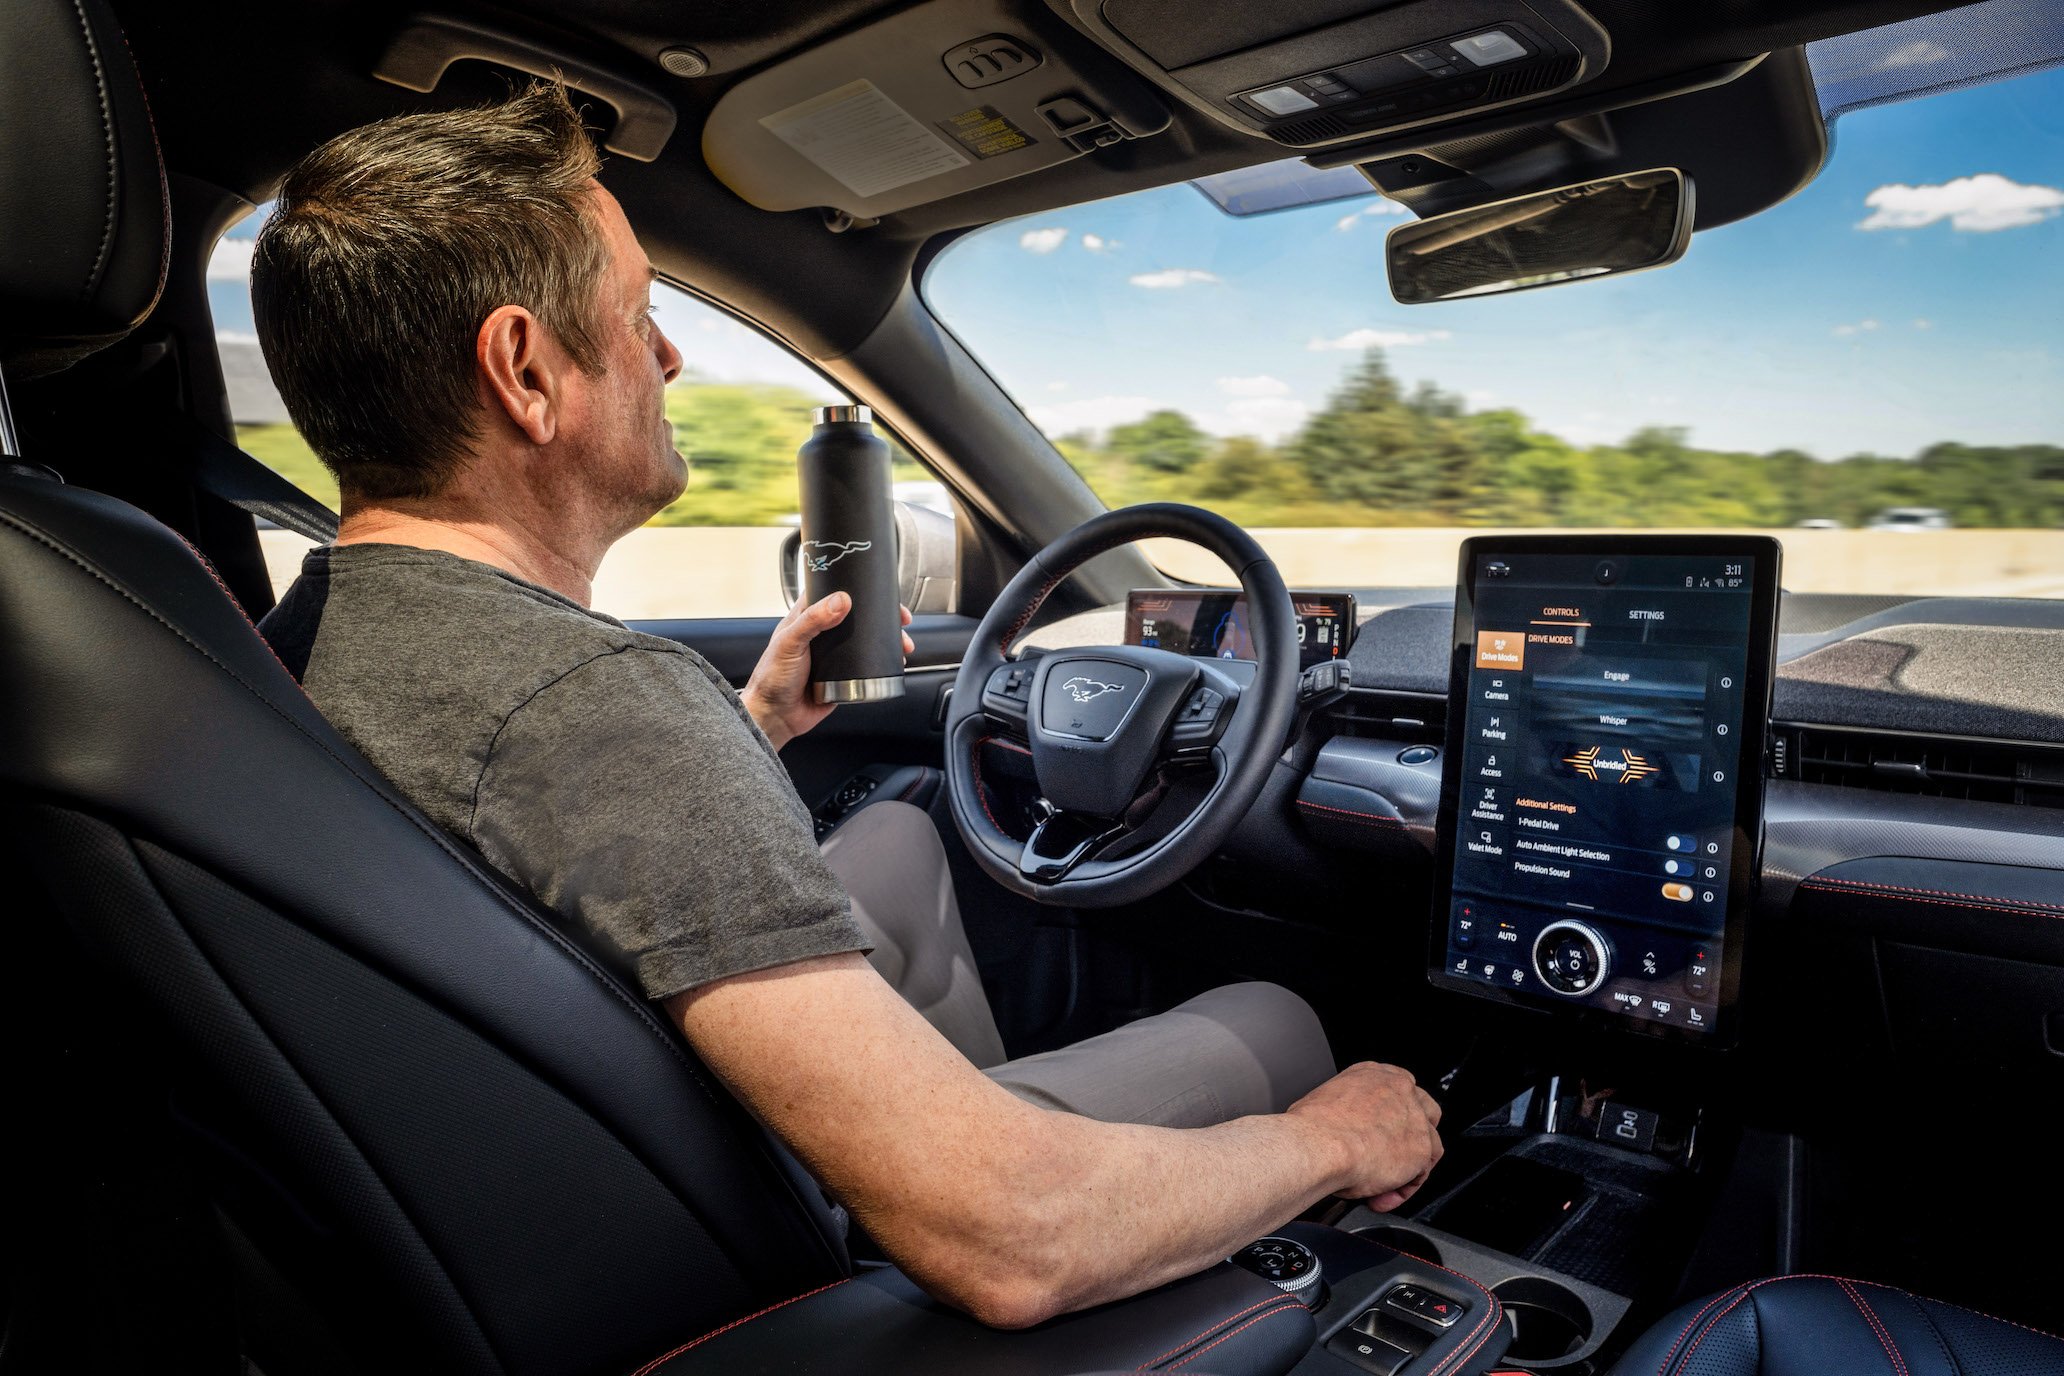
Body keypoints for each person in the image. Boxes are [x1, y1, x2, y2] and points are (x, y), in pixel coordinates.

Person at [252, 82, 1443, 1329]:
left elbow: (511, 845)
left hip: (558, 1176)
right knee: (1276, 1014)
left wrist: (740, 732)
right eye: (641, 315)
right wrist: (1331, 1143)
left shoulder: (316, 627)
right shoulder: (596, 708)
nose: (668, 356)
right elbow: (1010, 1237)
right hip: (788, 1252)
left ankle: (958, 1109)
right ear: (524, 371)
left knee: (901, 832)